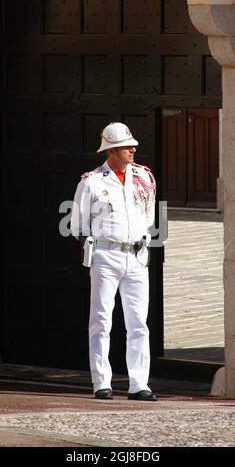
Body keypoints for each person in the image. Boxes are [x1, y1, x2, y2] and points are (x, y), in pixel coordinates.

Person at [71, 122, 157, 401]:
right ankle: (102, 383)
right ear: (111, 151)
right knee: (101, 320)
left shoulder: (144, 177)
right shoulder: (92, 181)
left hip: (137, 256)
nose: (133, 149)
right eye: (125, 146)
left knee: (138, 323)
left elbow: (150, 218)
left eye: (132, 145)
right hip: (106, 256)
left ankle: (139, 384)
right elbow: (78, 225)